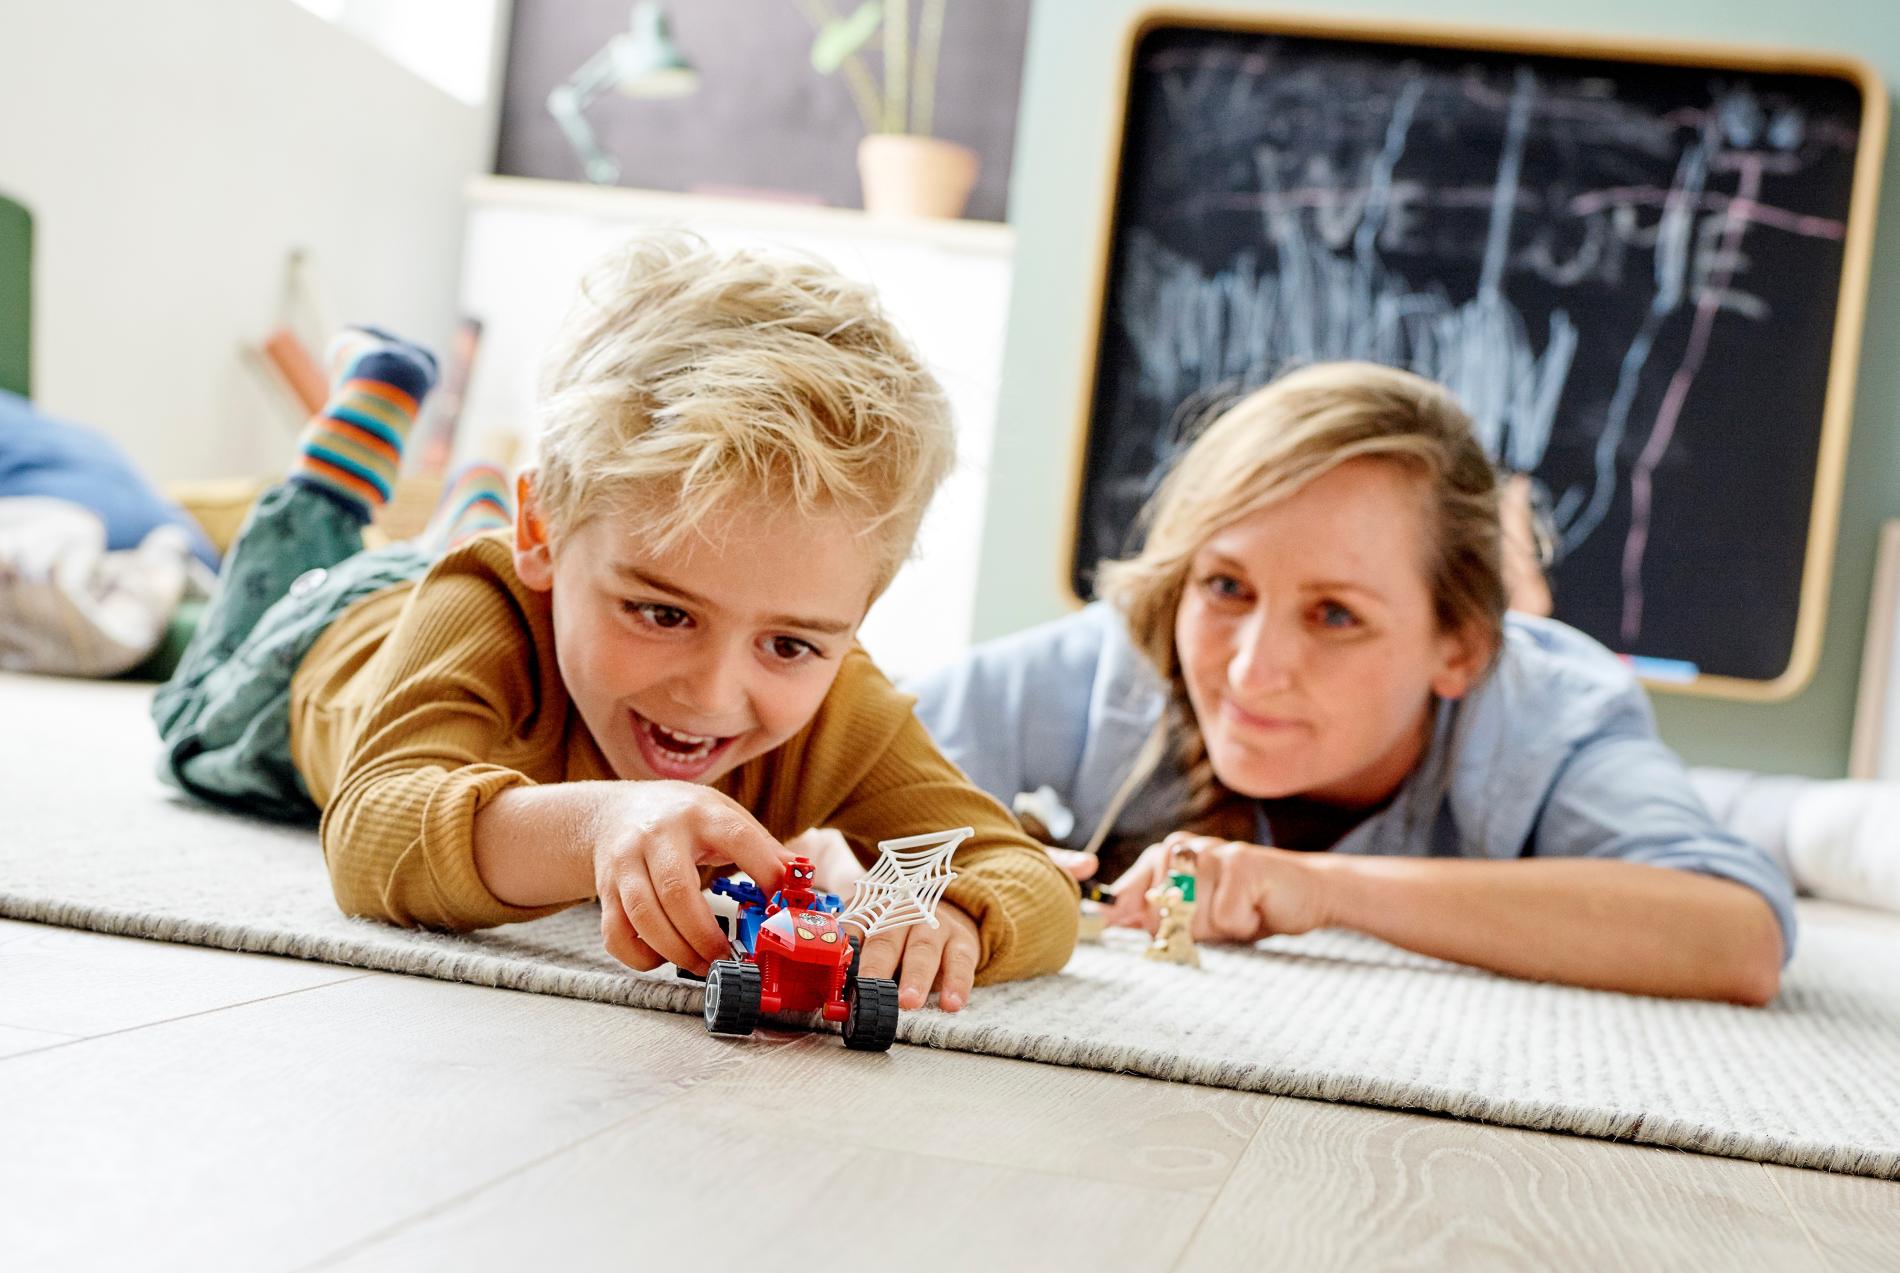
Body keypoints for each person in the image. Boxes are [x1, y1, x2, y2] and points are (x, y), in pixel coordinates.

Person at [152, 234, 1077, 1013]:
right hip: (318, 642)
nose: (712, 694)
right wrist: (599, 823)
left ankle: (472, 500)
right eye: (662, 612)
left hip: (521, 554)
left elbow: (1021, 872)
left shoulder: (842, 709)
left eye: (791, 644)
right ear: (544, 537)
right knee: (215, 674)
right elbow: (371, 831)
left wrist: (950, 917)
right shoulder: (484, 608)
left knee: (462, 541)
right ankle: (345, 454)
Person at [908, 361, 1793, 1005]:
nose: (1250, 670)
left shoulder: (1552, 714)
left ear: (1460, 647)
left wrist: (1324, 889)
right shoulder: (1127, 656)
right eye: (1227, 586)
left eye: (1335, 615)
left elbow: (1738, 935)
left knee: (1755, 822)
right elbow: (862, 751)